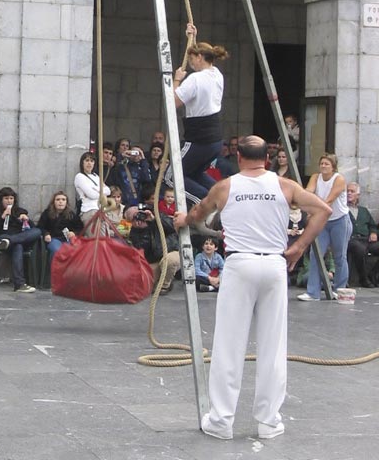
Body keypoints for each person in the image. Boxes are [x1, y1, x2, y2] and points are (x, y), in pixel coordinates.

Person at [174, 135, 331, 441]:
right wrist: (298, 246)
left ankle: (221, 421)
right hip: (273, 264)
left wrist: (182, 219)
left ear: (239, 158)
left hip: (240, 265)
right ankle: (269, 422)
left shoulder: (226, 186)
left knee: (228, 345)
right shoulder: (284, 186)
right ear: (266, 160)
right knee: (273, 346)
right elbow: (323, 210)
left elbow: (197, 214)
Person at [173, 24, 229, 204]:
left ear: (199, 57)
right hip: (214, 140)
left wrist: (176, 80)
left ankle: (207, 204)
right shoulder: (216, 74)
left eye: (192, 59)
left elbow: (173, 102)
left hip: (199, 139)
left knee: (173, 176)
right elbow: (202, 56)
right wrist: (193, 38)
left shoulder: (195, 79)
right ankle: (221, 198)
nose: (190, 63)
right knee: (194, 173)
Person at [297, 153, 350, 302]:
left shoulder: (339, 179)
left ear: (333, 166)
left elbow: (329, 200)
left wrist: (314, 211)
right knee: (316, 254)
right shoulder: (316, 177)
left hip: (339, 220)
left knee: (340, 256)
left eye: (327, 164)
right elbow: (309, 191)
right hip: (322, 220)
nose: (323, 166)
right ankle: (313, 292)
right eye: (322, 164)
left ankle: (339, 290)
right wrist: (304, 199)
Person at [0, 187, 41, 293]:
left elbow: (31, 229)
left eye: (11, 198)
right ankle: (19, 284)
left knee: (37, 231)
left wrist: (26, 220)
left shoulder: (20, 211)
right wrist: (2, 217)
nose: (9, 201)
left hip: (17, 238)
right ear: (1, 200)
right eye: (6, 198)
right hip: (2, 238)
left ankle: (11, 241)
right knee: (17, 245)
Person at [127, 187, 180, 296]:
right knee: (142, 287)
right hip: (153, 260)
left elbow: (173, 226)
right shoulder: (136, 230)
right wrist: (140, 230)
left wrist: (154, 219)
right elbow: (141, 250)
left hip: (169, 253)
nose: (141, 217)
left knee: (170, 260)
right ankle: (158, 280)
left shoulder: (158, 216)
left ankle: (165, 285)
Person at [346, 182, 379, 287]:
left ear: (358, 195)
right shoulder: (342, 209)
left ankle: (373, 274)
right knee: (359, 248)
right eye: (347, 191)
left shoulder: (363, 210)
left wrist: (374, 233)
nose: (349, 193)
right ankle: (364, 279)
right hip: (351, 240)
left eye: (352, 191)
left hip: (366, 239)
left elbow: (372, 225)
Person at [37, 191, 82, 256]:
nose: (60, 202)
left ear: (66, 202)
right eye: (58, 199)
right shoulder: (47, 213)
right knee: (58, 251)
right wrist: (46, 234)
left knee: (73, 250)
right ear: (54, 202)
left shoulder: (71, 214)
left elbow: (80, 228)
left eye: (63, 199)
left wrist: (74, 233)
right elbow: (40, 227)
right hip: (53, 238)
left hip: (68, 239)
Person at [74, 151, 110, 225]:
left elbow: (108, 190)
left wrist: (96, 190)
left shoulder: (96, 176)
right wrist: (101, 190)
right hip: (89, 210)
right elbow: (92, 195)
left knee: (105, 235)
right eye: (87, 160)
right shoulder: (80, 176)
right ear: (82, 163)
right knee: (95, 236)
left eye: (92, 161)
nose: (89, 163)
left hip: (102, 210)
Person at [112, 141, 151, 208]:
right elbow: (115, 173)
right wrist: (121, 156)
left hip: (137, 199)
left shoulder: (141, 167)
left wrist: (143, 159)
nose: (135, 154)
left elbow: (147, 179)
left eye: (137, 153)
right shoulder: (122, 166)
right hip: (123, 199)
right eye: (133, 152)